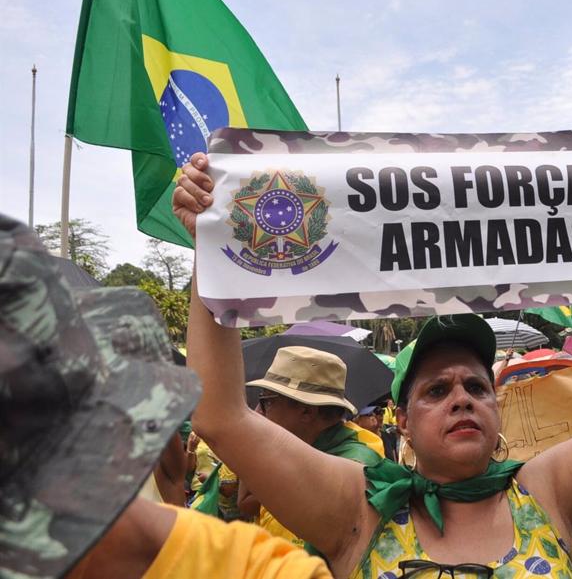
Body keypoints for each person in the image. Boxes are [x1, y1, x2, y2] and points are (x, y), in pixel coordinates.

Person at [174, 154, 572, 578]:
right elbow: (221, 415)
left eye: (476, 384)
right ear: (401, 421)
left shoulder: (548, 491)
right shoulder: (357, 508)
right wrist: (212, 245)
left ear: (497, 409)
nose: (462, 397)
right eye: (435, 391)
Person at [0, 215, 331, 579]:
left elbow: (213, 431)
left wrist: (215, 242)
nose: (263, 408)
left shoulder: (247, 566)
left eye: (269, 401)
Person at [238, 347, 383, 546]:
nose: (259, 412)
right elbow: (247, 502)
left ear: (306, 411)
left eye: (266, 402)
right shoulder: (302, 447)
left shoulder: (355, 463)